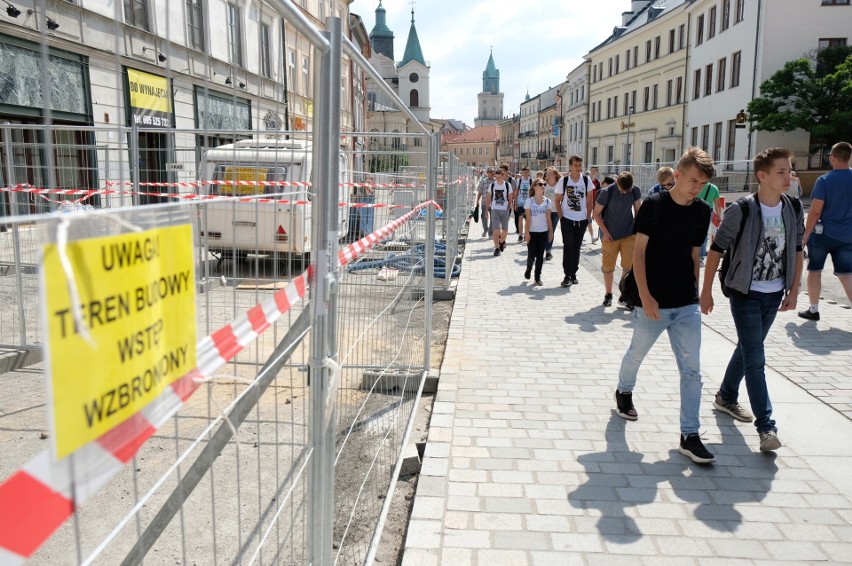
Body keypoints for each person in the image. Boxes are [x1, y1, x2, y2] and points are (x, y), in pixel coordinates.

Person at [614, 147, 715, 464]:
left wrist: (696, 292)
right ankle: (624, 391)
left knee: (692, 371)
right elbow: (639, 254)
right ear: (678, 175)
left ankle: (690, 435)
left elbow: (694, 255)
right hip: (652, 301)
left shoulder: (702, 211)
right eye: (693, 181)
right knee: (637, 353)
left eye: (702, 184)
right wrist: (645, 296)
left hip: (686, 303)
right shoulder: (654, 206)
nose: (696, 188)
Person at [700, 147, 804, 453]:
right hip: (745, 293)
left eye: (790, 170)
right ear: (763, 175)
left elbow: (797, 248)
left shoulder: (793, 207)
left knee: (748, 348)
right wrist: (705, 292)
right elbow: (716, 249)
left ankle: (726, 396)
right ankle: (766, 427)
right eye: (781, 172)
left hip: (775, 294)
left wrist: (794, 290)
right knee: (756, 360)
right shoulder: (742, 209)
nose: (789, 177)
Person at [799, 141, 852, 321]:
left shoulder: (825, 180)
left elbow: (814, 211)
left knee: (815, 270)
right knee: (846, 274)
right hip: (847, 235)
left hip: (823, 234)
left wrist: (805, 235)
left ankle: (813, 310)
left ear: (833, 157)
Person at [593, 171, 642, 308]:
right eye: (623, 189)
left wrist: (637, 230)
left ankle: (624, 295)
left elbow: (639, 210)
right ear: (616, 183)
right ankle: (608, 294)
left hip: (629, 235)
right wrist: (605, 232)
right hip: (610, 236)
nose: (626, 192)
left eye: (628, 190)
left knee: (628, 267)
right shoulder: (606, 192)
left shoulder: (634, 190)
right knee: (608, 267)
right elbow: (596, 214)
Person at [555, 155, 594, 287]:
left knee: (577, 247)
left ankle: (574, 274)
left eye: (580, 165)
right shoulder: (564, 181)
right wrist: (561, 217)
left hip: (581, 220)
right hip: (567, 219)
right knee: (568, 246)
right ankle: (567, 275)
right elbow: (557, 200)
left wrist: (587, 218)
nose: (578, 168)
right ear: (570, 166)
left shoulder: (586, 180)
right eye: (575, 165)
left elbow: (590, 201)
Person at [524, 180, 554, 285]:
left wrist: (551, 232)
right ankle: (528, 268)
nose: (543, 186)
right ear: (534, 187)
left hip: (543, 231)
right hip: (532, 232)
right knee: (531, 254)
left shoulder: (547, 202)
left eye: (544, 184)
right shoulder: (529, 201)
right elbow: (528, 219)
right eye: (540, 184)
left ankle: (537, 277)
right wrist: (526, 233)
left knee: (540, 256)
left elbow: (548, 218)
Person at [486, 168, 513, 256]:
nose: (497, 179)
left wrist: (510, 207)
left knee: (505, 231)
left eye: (499, 177)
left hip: (504, 210)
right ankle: (497, 248)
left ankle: (501, 242)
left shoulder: (507, 185)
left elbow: (510, 198)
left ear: (503, 176)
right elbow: (488, 198)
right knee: (496, 230)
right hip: (495, 209)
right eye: (496, 177)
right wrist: (486, 210)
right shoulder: (492, 185)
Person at [697, 180, 722, 259]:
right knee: (704, 234)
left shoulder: (697, 185)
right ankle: (701, 256)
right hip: (707, 211)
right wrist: (718, 216)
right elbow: (717, 204)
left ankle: (694, 254)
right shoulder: (714, 188)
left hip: (695, 209)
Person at [542, 167, 561, 261]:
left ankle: (548, 251)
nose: (548, 176)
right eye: (547, 174)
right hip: (544, 212)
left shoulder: (559, 186)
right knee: (544, 230)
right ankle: (543, 248)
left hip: (556, 211)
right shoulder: (543, 185)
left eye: (550, 174)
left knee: (551, 230)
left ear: (555, 175)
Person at [514, 167, 533, 242]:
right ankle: (520, 235)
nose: (525, 174)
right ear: (522, 173)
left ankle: (526, 234)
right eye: (524, 172)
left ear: (529, 172)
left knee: (528, 220)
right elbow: (516, 192)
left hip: (529, 203)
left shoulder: (531, 181)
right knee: (520, 218)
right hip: (520, 202)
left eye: (526, 172)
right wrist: (515, 203)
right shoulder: (519, 180)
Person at [475, 168, 494, 237]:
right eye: (490, 172)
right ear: (487, 173)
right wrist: (477, 201)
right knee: (484, 217)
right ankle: (485, 229)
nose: (492, 173)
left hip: (493, 204)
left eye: (493, 172)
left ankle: (490, 232)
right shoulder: (483, 181)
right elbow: (480, 192)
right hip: (484, 203)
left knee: (493, 218)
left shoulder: (495, 181)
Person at [587, 166, 602, 243]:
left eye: (594, 171)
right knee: (589, 220)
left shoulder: (598, 182)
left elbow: (599, 194)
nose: (593, 172)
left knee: (597, 218)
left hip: (595, 203)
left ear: (597, 172)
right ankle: (592, 237)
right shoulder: (586, 180)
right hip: (587, 202)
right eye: (592, 170)